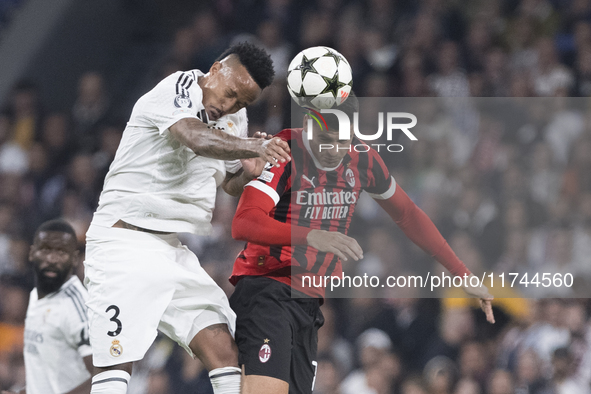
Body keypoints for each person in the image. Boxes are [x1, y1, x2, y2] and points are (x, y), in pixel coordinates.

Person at [229, 93, 495, 394]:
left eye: (342, 139)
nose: (333, 148)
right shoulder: (285, 150)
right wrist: (311, 235)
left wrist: (461, 273)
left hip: (308, 301)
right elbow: (244, 221)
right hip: (268, 287)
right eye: (325, 138)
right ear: (307, 124)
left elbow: (408, 215)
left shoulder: (364, 160)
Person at [84, 42, 290, 394]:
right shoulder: (178, 87)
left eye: (241, 102)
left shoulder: (233, 119)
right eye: (229, 94)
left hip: (171, 249)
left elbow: (229, 183)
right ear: (213, 70)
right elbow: (193, 137)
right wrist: (253, 147)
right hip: (122, 243)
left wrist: (251, 173)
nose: (229, 106)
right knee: (118, 362)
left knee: (224, 349)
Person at [1, 219, 93, 394]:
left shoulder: (79, 308)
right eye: (45, 250)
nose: (51, 259)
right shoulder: (37, 297)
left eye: (61, 252)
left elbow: (102, 378)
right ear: (32, 253)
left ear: (74, 259)